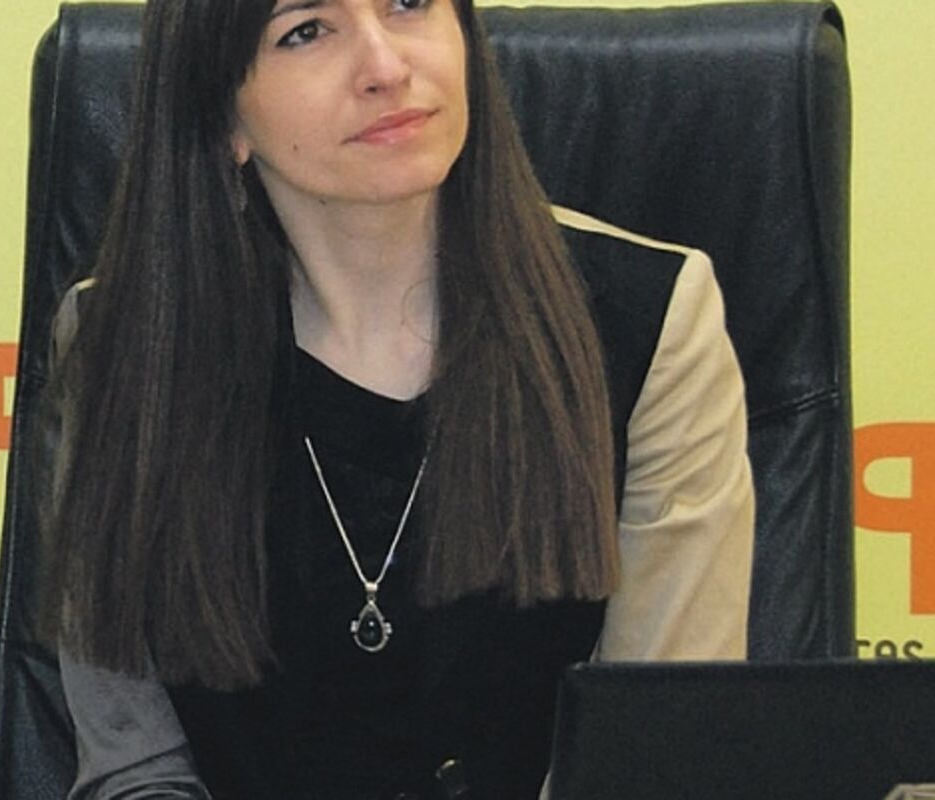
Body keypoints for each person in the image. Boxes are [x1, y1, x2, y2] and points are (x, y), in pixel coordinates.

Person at [40, 0, 754, 797]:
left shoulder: (648, 321)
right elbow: (137, 765)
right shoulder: (125, 343)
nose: (385, 66)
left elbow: (653, 755)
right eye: (305, 31)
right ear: (222, 117)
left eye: (409, 3)